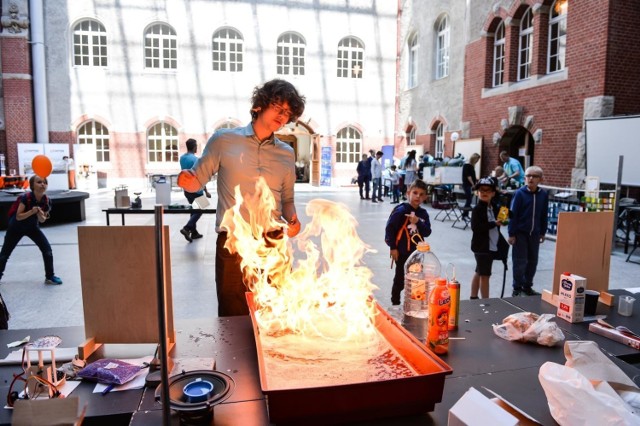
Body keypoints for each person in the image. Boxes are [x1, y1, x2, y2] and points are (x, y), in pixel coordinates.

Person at [178, 79, 305, 317]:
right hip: (234, 243)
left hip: (273, 243)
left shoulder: (286, 154)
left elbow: (287, 199)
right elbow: (198, 178)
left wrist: (293, 219)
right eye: (279, 108)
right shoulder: (224, 140)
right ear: (260, 105)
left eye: (288, 113)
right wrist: (187, 180)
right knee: (232, 316)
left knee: (274, 314)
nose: (283, 116)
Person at [0, 175, 62, 286]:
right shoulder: (26, 198)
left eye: (45, 182)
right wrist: (31, 212)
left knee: (47, 250)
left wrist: (39, 214)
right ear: (32, 185)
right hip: (16, 228)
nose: (42, 184)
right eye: (39, 182)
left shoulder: (46, 201)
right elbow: (18, 216)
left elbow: (42, 220)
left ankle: (50, 276)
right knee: (5, 254)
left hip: (32, 227)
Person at [385, 179, 432, 306]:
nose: (418, 196)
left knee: (417, 280)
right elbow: (389, 229)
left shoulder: (423, 214)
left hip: (417, 253)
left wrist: (418, 221)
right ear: (408, 193)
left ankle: (414, 304)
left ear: (425, 197)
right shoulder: (400, 210)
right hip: (401, 252)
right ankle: (395, 303)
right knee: (400, 279)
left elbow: (427, 232)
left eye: (422, 194)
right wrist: (393, 248)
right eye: (415, 193)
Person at [508, 166, 549, 297]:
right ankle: (517, 287)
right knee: (520, 261)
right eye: (528, 176)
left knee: (532, 261)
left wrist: (543, 231)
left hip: (535, 234)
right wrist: (511, 233)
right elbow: (513, 214)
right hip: (520, 233)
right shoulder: (520, 194)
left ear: (540, 179)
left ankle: (527, 286)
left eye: (534, 176)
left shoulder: (543, 195)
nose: (530, 178)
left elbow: (544, 214)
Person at [470, 177, 509, 299]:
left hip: (491, 245)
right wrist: (494, 224)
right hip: (482, 247)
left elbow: (508, 213)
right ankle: (486, 302)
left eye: (488, 190)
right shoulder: (477, 209)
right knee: (485, 276)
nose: (485, 193)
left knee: (479, 271)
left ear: (493, 193)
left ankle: (473, 297)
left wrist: (504, 213)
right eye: (482, 190)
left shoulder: (493, 207)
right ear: (477, 192)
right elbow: (476, 227)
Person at [179, 138, 211, 242]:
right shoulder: (196, 160)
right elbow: (200, 176)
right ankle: (187, 228)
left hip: (187, 189)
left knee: (194, 209)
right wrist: (206, 191)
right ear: (194, 147)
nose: (197, 147)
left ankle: (194, 233)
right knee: (201, 208)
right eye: (196, 145)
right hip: (196, 189)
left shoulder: (182, 158)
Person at [461, 153, 480, 220]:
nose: (477, 161)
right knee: (468, 200)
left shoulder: (471, 166)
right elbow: (469, 176)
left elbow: (472, 176)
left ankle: (465, 214)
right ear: (473, 158)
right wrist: (473, 184)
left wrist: (477, 179)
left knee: (469, 200)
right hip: (467, 185)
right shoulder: (467, 165)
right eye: (476, 160)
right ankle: (464, 215)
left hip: (470, 185)